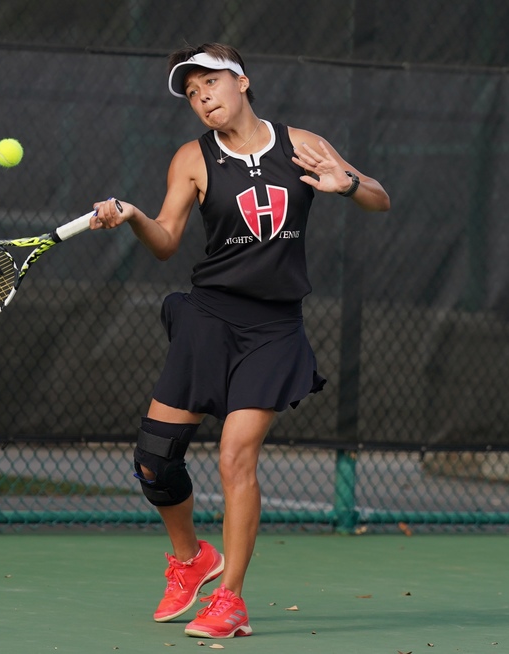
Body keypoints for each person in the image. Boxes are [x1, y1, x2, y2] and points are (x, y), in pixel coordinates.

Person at [91, 43, 390, 639]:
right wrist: (133, 216)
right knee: (154, 462)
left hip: (273, 330)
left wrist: (347, 182)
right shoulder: (192, 159)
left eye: (211, 83)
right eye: (192, 93)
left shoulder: (301, 144)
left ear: (243, 82)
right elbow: (167, 240)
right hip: (208, 320)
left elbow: (378, 199)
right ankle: (190, 560)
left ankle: (230, 599)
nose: (202, 98)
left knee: (235, 457)